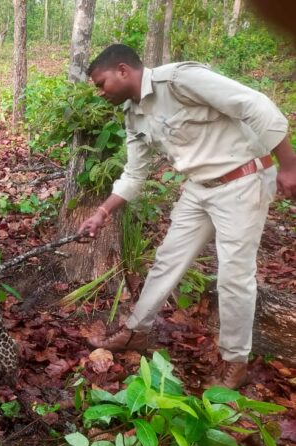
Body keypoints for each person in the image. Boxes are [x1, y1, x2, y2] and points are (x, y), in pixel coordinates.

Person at [79, 44, 296, 390]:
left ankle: (234, 361)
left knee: (234, 275)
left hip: (243, 180)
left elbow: (254, 105)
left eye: (101, 83)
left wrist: (289, 164)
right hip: (199, 187)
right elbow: (134, 174)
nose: (100, 92)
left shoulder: (180, 80)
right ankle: (136, 331)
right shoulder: (134, 115)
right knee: (168, 259)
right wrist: (102, 211)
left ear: (122, 70)